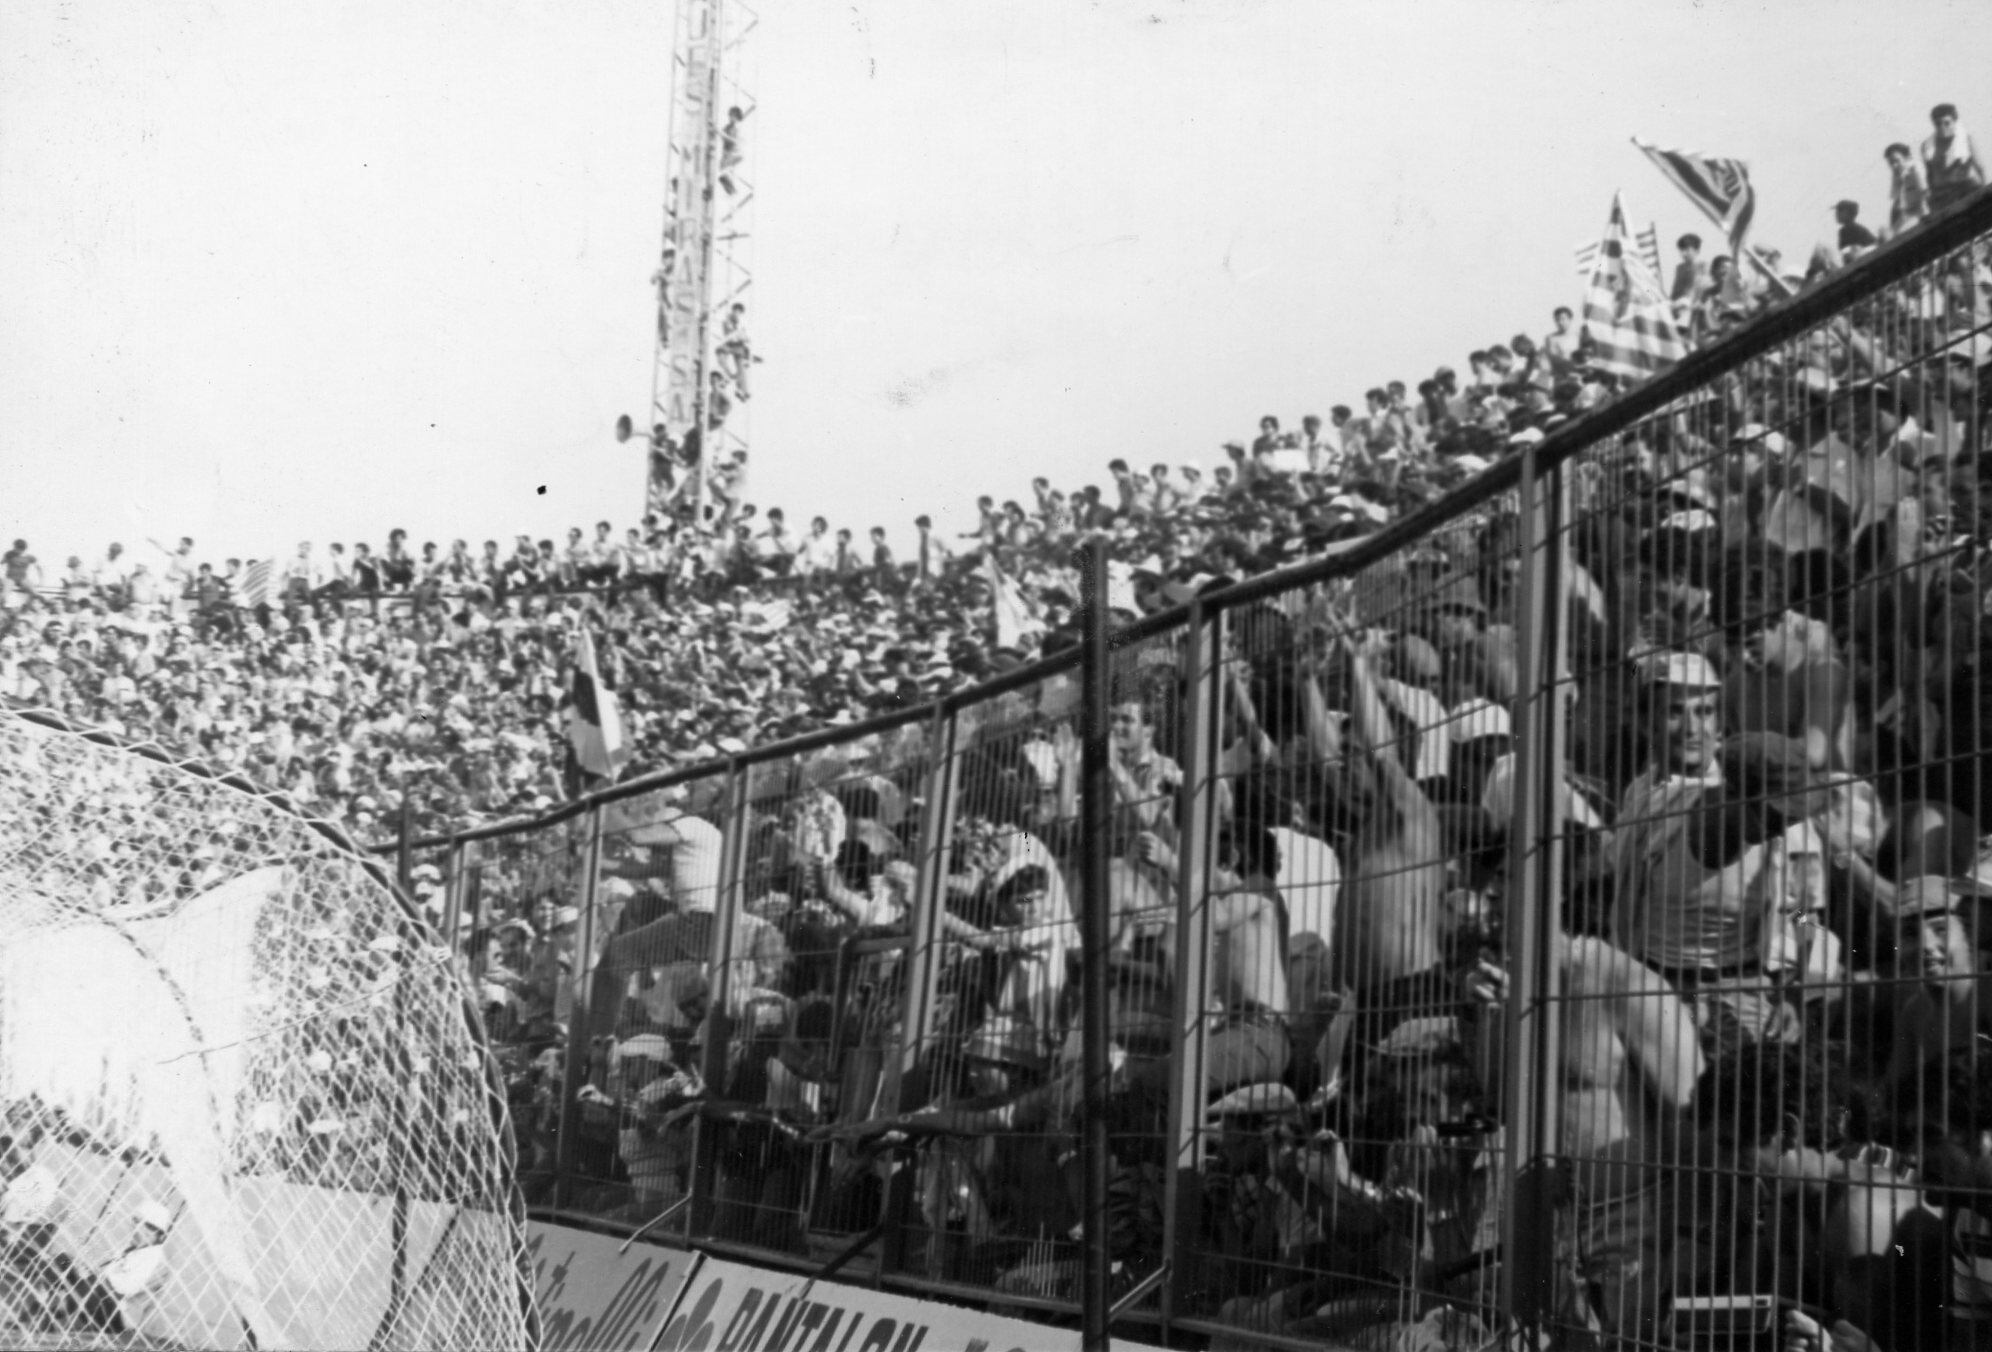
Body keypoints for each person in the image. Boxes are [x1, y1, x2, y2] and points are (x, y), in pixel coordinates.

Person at [1608, 653, 1829, 1051]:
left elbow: (1803, 911)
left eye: (1705, 711)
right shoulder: (1642, 794)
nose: (1692, 728)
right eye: (1675, 712)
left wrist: (1791, 991)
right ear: (1646, 723)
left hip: (1743, 987)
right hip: (1655, 986)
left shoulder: (1773, 793)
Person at [1923, 103, 1986, 213]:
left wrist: (1985, 194)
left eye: (1947, 123)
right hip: (1941, 196)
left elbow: (1980, 168)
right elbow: (1930, 177)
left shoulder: (1965, 139)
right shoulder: (1927, 147)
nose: (1943, 127)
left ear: (1954, 122)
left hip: (1965, 190)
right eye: (1938, 124)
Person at [1886, 141, 1930, 236]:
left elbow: (1926, 194)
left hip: (1923, 216)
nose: (1894, 166)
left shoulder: (1915, 170)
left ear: (1907, 158)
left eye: (1896, 161)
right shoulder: (1898, 178)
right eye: (1891, 163)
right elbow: (1898, 204)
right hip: (1909, 217)